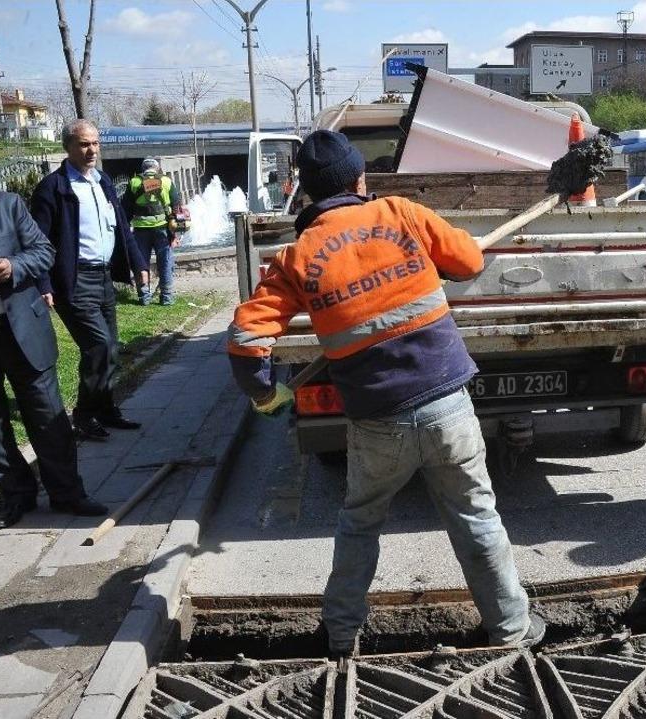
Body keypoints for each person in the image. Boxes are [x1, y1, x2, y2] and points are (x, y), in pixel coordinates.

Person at [227, 130, 544, 656]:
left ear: (306, 194)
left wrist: (267, 397)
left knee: (360, 522)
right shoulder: (401, 214)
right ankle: (511, 629)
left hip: (377, 420)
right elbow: (468, 262)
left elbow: (244, 339)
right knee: (475, 514)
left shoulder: (298, 256)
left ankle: (342, 635)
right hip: (446, 402)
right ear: (360, 180)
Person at [0, 190, 107, 529]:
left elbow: (44, 252)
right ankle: (16, 494)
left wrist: (13, 266)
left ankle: (67, 492)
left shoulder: (7, 205)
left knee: (46, 415)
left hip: (22, 329)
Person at [31, 119, 148, 442]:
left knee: (110, 347)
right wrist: (43, 284)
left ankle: (106, 409)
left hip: (103, 277)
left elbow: (122, 227)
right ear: (68, 147)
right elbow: (37, 240)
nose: (91, 150)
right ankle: (83, 416)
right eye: (84, 144)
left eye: (95, 143)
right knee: (98, 346)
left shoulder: (102, 182)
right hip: (74, 279)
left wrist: (138, 263)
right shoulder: (53, 189)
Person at [121, 157, 183, 306]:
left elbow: (126, 208)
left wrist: (126, 228)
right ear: (157, 168)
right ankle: (167, 296)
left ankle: (144, 296)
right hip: (163, 229)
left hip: (141, 229)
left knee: (141, 263)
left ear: (143, 169)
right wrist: (176, 231)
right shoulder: (166, 181)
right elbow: (176, 206)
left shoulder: (134, 182)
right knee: (166, 262)